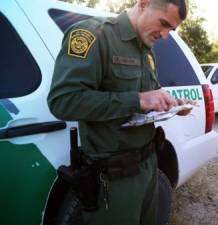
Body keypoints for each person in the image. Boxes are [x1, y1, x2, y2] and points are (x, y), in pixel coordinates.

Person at [47, 0, 190, 224]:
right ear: (144, 4)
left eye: (171, 30)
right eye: (163, 24)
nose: (164, 36)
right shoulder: (93, 34)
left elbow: (148, 99)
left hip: (150, 166)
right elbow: (63, 101)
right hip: (114, 179)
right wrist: (138, 100)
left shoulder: (147, 52)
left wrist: (171, 104)